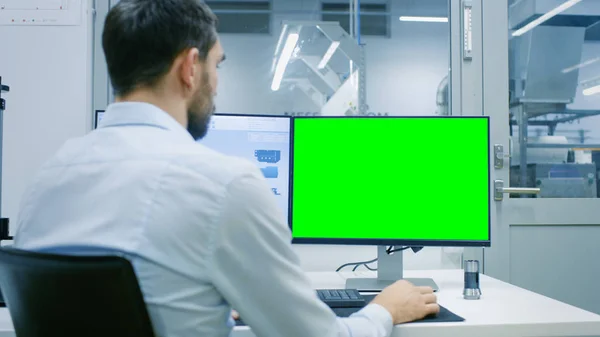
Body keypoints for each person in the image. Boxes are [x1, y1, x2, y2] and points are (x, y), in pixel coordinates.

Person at [12, 0, 439, 336]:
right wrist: (385, 309)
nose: (216, 85)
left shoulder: (46, 180)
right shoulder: (223, 185)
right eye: (217, 65)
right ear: (189, 67)